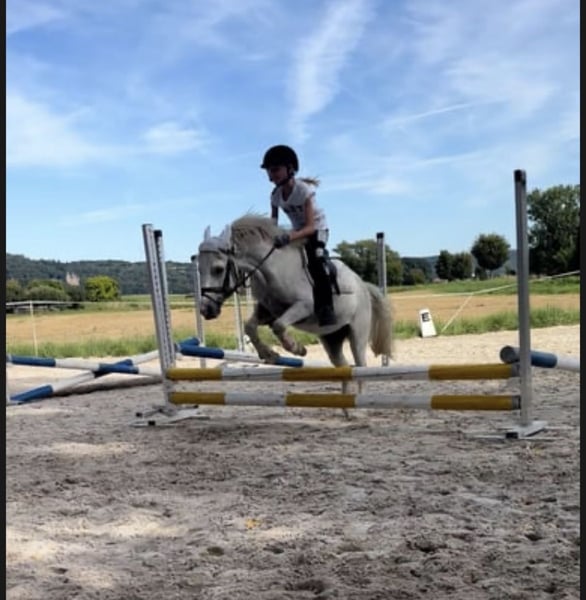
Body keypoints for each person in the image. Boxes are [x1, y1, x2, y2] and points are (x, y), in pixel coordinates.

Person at [260, 144, 337, 327]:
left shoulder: (304, 191)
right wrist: (269, 239)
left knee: (316, 260)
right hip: (296, 232)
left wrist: (288, 237)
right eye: (269, 171)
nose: (271, 174)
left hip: (317, 230)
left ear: (290, 169)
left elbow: (310, 227)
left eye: (275, 169)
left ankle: (326, 309)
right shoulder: (275, 195)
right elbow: (273, 224)